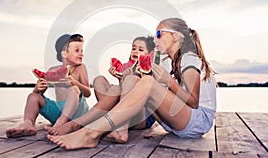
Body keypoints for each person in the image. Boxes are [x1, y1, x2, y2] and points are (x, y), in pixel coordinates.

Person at [47, 18, 217, 150]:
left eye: (159, 34)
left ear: (176, 36)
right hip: (173, 122)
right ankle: (103, 128)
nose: (156, 40)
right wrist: (127, 79)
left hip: (198, 121)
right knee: (134, 81)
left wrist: (168, 81)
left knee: (147, 82)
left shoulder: (189, 59)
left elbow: (194, 102)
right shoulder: (167, 62)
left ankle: (90, 132)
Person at [45, 36, 156, 143]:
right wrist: (121, 78)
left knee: (126, 82)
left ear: (150, 55)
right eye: (133, 48)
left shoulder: (150, 73)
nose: (135, 51)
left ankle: (78, 124)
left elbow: (137, 100)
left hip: (142, 117)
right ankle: (104, 123)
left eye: (140, 49)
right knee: (99, 80)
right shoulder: (128, 69)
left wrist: (129, 78)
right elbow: (124, 97)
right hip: (121, 115)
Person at [6, 34, 91, 138]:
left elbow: (88, 93)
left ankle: (61, 123)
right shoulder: (52, 70)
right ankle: (28, 124)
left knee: (74, 89)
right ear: (64, 54)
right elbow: (39, 94)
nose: (81, 54)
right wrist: (38, 88)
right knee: (32, 96)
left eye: (82, 50)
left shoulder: (81, 68)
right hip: (58, 113)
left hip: (78, 113)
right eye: (77, 50)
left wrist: (75, 83)